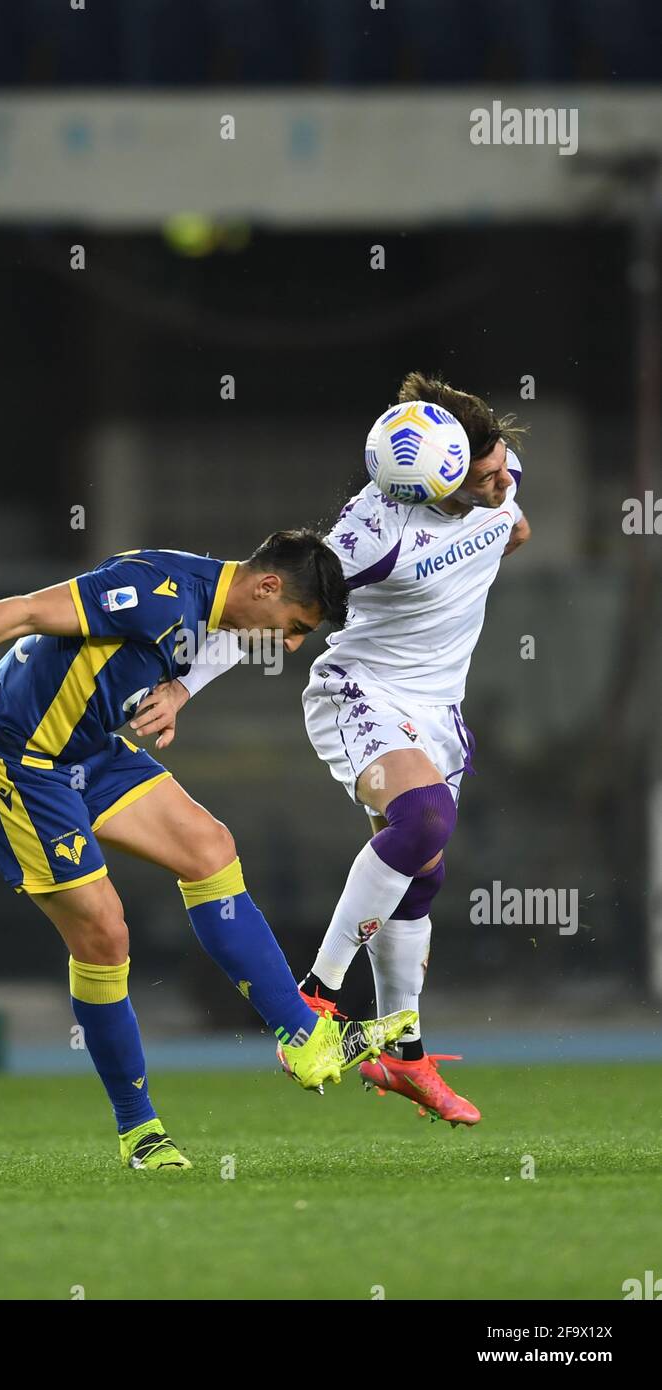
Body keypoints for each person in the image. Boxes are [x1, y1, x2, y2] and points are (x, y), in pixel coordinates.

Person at [0, 531, 416, 1170]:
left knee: (209, 847)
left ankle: (305, 1038)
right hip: (20, 760)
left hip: (80, 751)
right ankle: (139, 1130)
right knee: (105, 934)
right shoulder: (155, 592)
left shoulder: (218, 609)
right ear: (266, 588)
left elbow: (67, 663)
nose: (288, 645)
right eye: (294, 626)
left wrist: (172, 695)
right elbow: (30, 615)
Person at [142, 376, 531, 1127]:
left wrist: (508, 524)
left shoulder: (499, 479)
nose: (501, 480)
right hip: (363, 693)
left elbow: (509, 521)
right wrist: (186, 687)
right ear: (434, 480)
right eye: (484, 478)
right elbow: (267, 600)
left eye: (501, 466)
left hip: (438, 711)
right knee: (421, 822)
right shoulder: (368, 534)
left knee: (423, 872)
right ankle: (313, 1003)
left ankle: (404, 1056)